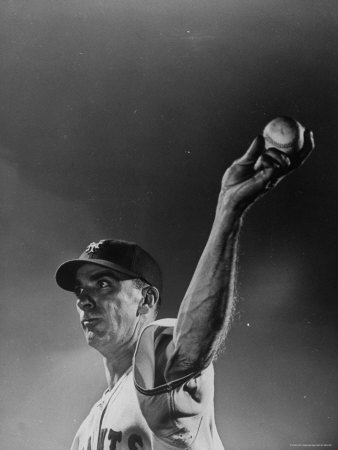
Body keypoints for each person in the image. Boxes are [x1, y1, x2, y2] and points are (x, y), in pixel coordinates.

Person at [55, 130, 314, 450]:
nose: (84, 298)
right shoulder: (84, 433)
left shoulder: (155, 361)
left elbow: (190, 348)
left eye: (103, 284)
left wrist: (229, 209)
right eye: (79, 289)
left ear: (146, 299)